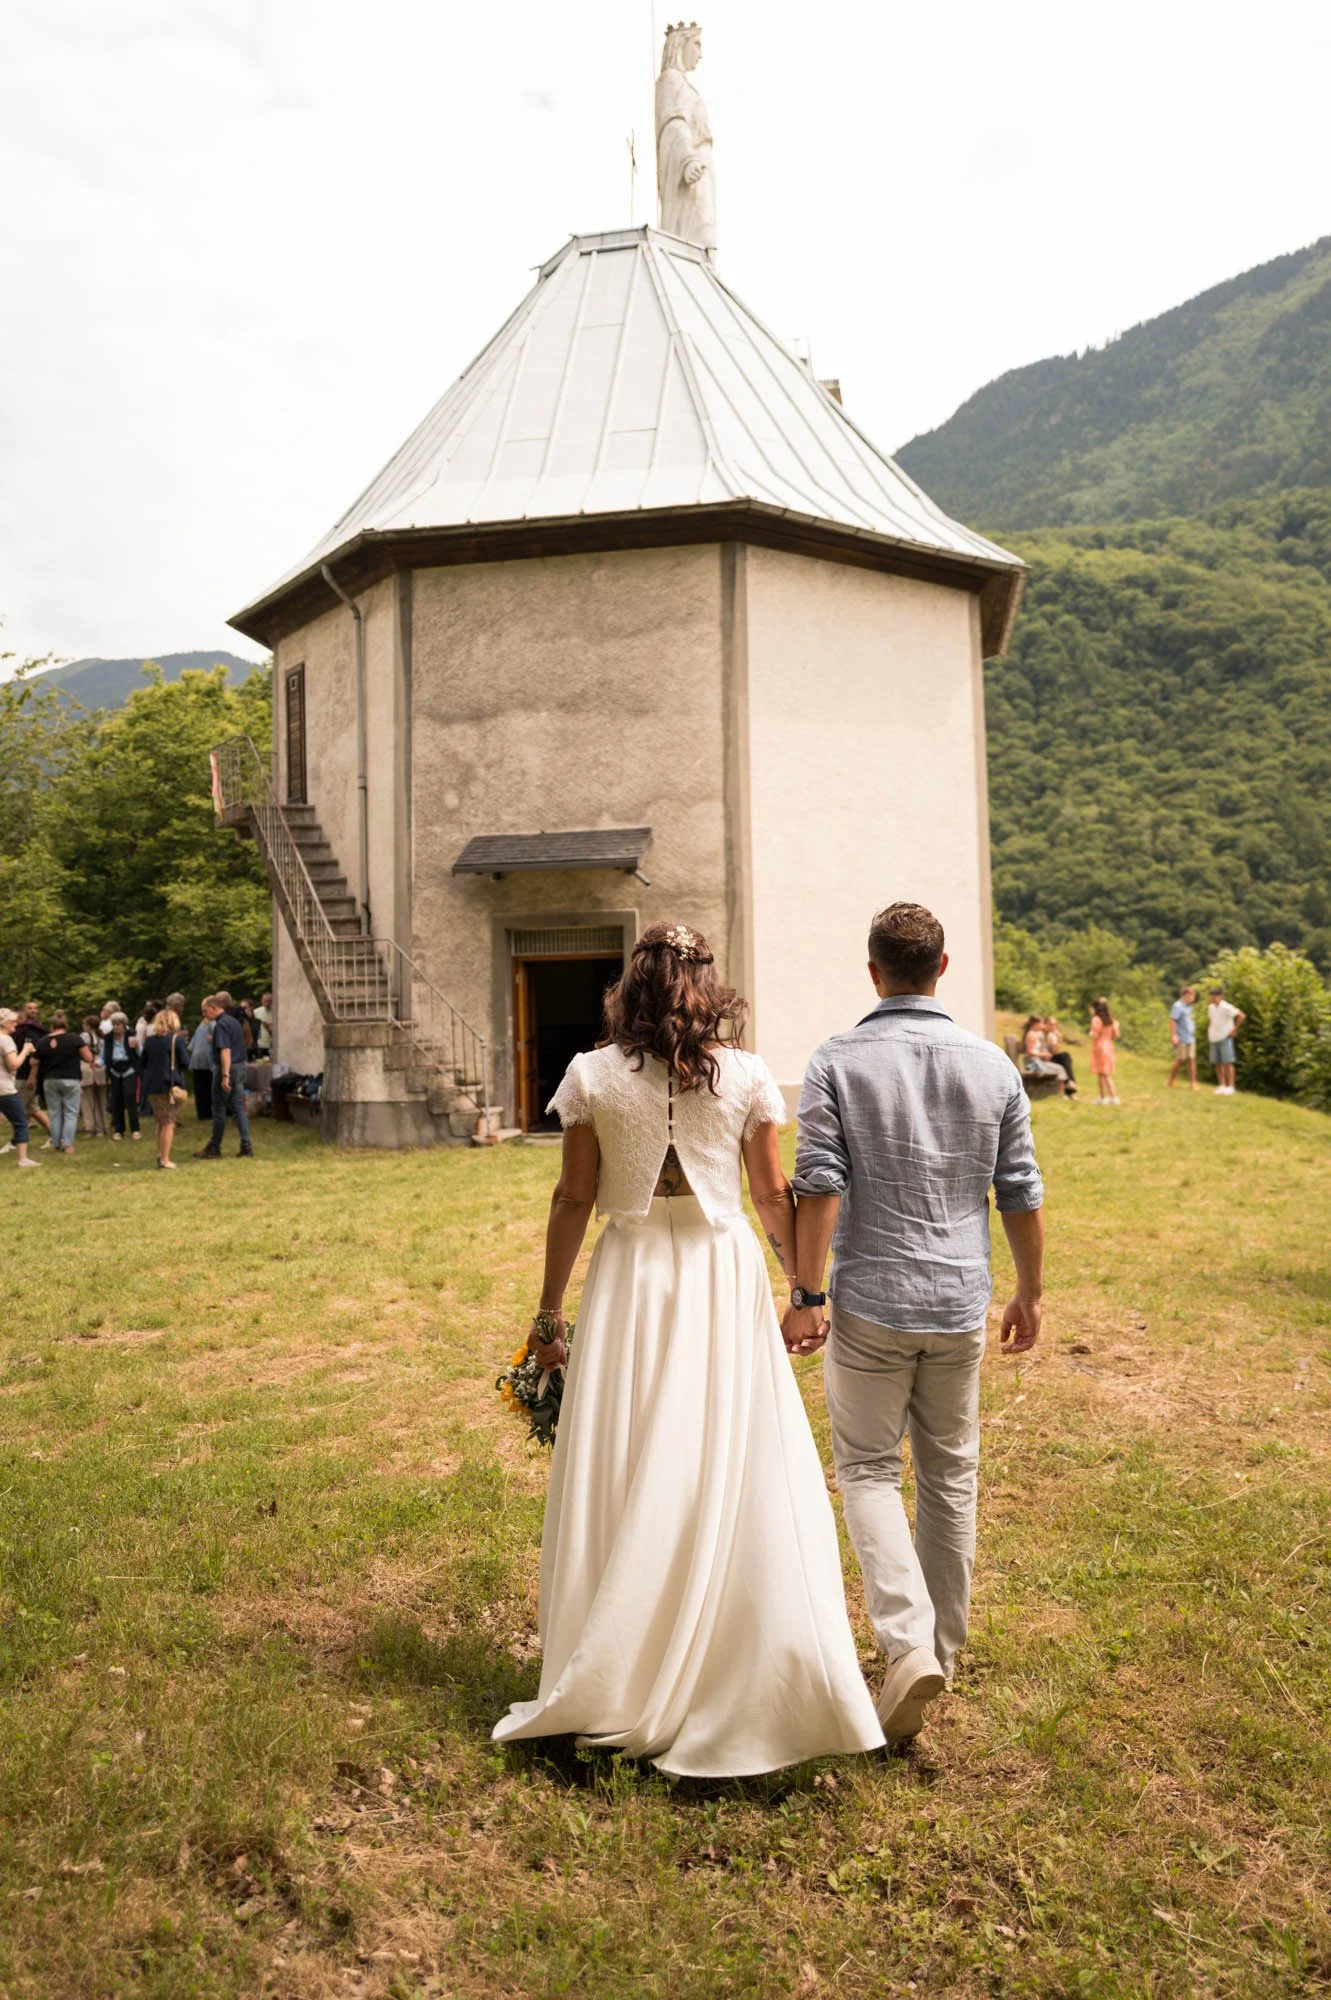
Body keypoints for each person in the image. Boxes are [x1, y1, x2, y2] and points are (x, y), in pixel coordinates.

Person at [492, 922, 884, 1775]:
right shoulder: (742, 1074)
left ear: (630, 986)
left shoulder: (591, 1073)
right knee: (726, 1453)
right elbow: (770, 1194)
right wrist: (803, 1292)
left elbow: (572, 1196)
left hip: (633, 1274)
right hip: (718, 1272)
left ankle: (620, 1659)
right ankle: (724, 1658)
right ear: (709, 987)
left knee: (629, 1448)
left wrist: (549, 1314)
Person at [783, 902, 1045, 1744]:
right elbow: (1020, 1190)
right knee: (951, 1474)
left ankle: (905, 1647)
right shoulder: (993, 1065)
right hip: (959, 1298)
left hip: (868, 1300)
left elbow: (819, 1181)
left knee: (865, 1471)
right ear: (941, 969)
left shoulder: (835, 1058)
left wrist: (807, 1291)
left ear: (873, 973)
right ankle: (941, 1648)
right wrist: (1028, 1292)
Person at [196, 994, 255, 1158]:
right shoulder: (234, 1022)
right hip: (240, 1066)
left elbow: (225, 1051)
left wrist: (225, 1075)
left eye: (205, 1010)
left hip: (227, 1068)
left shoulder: (221, 1025)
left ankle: (215, 1147)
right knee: (238, 1107)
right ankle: (246, 1145)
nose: (204, 1014)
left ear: (214, 1007)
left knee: (219, 1108)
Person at [36, 1010, 94, 1154]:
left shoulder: (42, 1041)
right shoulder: (74, 1039)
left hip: (49, 1080)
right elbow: (88, 1058)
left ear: (51, 1026)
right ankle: (68, 1144)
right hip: (70, 1078)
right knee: (70, 1113)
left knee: (54, 1113)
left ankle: (56, 1144)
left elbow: (33, 1061)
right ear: (66, 1025)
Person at [141, 1007, 188, 1169]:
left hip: (151, 1085)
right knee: (169, 1122)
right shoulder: (176, 1040)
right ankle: (165, 1159)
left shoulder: (149, 1041)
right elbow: (185, 1062)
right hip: (168, 1085)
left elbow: (143, 1062)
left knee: (160, 1121)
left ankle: (160, 1153)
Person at [0, 1008, 41, 1167]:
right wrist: (25, 1050)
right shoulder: (6, 1040)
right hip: (4, 1088)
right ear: (5, 1023)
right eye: (13, 1022)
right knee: (21, 1122)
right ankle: (23, 1159)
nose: (16, 1025)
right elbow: (13, 1065)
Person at [13, 1002, 52, 1143]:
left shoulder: (33, 1030)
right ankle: (55, 1134)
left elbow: (36, 1055)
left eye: (35, 1008)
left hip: (27, 1074)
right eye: (30, 1008)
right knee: (33, 1109)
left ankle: (16, 1141)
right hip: (21, 1072)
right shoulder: (23, 1029)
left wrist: (32, 1076)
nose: (33, 1010)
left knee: (18, 1109)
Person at [105, 1012, 142, 1140]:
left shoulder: (132, 1034)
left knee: (130, 1097)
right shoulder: (108, 1037)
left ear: (124, 1025)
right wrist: (99, 1064)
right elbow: (105, 1054)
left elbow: (141, 1052)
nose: (116, 1027)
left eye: (118, 1024)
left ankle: (135, 1129)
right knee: (116, 1099)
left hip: (129, 1069)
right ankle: (118, 1130)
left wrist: (136, 1046)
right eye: (114, 1024)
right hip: (115, 1069)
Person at [1207, 986, 1245, 1095]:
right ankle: (1222, 1085)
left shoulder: (1226, 1007)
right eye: (1212, 997)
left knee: (1227, 1062)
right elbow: (1211, 1020)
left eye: (1215, 996)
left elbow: (1241, 1016)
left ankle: (1231, 1086)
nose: (1213, 998)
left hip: (1225, 1037)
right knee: (1217, 1063)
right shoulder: (1210, 1007)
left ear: (1220, 996)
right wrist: (1209, 1031)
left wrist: (1234, 1030)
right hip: (1214, 1037)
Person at [80, 1014, 110, 1136]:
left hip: (87, 1067)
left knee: (87, 1100)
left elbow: (81, 1052)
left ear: (87, 1025)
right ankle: (102, 1127)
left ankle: (90, 1127)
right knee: (102, 1100)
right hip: (101, 1067)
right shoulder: (103, 1037)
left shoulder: (84, 1036)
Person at [1088, 997, 1121, 1104]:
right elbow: (1116, 1035)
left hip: (1100, 1046)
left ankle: (1109, 1097)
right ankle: (1106, 1097)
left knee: (1103, 1073)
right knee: (1103, 1073)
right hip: (1109, 1045)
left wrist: (1091, 1034)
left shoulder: (1096, 1020)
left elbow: (1095, 1034)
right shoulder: (1111, 1020)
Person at [1168, 985, 1200, 1091]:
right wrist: (1173, 1036)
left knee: (1191, 1060)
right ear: (1185, 995)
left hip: (1190, 1037)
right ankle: (1171, 1080)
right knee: (1180, 1060)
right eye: (1192, 995)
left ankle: (1193, 1083)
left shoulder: (1189, 1006)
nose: (1193, 998)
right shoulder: (1177, 1006)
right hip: (1181, 1037)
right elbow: (1172, 1021)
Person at [1020, 1014, 1064, 1089]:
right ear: (1035, 1024)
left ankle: (1060, 1091)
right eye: (1041, 1023)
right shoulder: (1031, 1035)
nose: (1043, 1025)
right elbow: (1029, 1052)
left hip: (1037, 1061)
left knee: (1059, 1068)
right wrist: (1043, 1054)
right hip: (1032, 1062)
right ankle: (1060, 1091)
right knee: (1058, 1068)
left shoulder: (1034, 1034)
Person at [188, 1010, 215, 1121]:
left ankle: (202, 1113)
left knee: (200, 1088)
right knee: (208, 1087)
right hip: (207, 1059)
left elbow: (191, 1046)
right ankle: (207, 1113)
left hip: (196, 1059)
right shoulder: (213, 1025)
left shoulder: (201, 1025)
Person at [1042, 1015, 1077, 1096]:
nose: (1053, 1026)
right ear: (1045, 1024)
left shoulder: (1052, 1035)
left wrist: (1057, 1039)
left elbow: (1054, 1052)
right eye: (1051, 1024)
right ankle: (1071, 1086)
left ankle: (1070, 1087)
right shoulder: (1041, 1034)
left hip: (1049, 1058)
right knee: (1065, 1058)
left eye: (1054, 1024)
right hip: (1041, 1060)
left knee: (1065, 1058)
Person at [253, 991, 273, 1058]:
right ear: (261, 1001)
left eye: (269, 1001)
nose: (267, 1003)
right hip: (260, 1044)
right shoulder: (256, 1012)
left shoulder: (277, 1011)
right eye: (265, 1001)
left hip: (272, 1045)